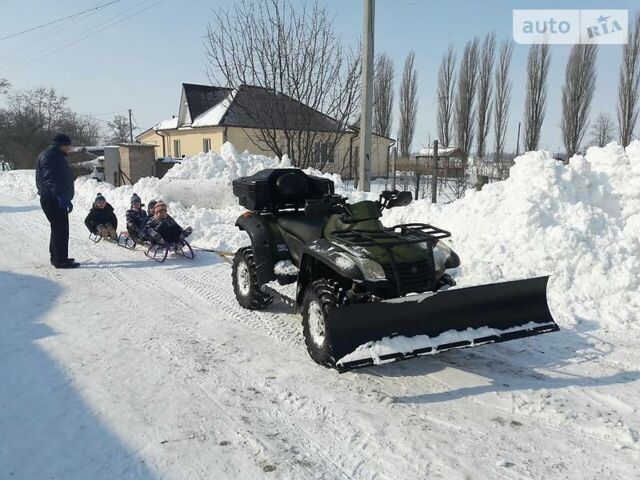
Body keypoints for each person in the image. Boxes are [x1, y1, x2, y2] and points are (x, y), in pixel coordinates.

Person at [35, 133, 79, 269]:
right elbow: (50, 178)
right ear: (61, 145)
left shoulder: (56, 155)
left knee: (58, 228)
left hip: (55, 197)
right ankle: (60, 260)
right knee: (60, 229)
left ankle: (57, 257)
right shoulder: (50, 156)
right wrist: (60, 195)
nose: (70, 148)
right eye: (68, 145)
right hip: (52, 199)